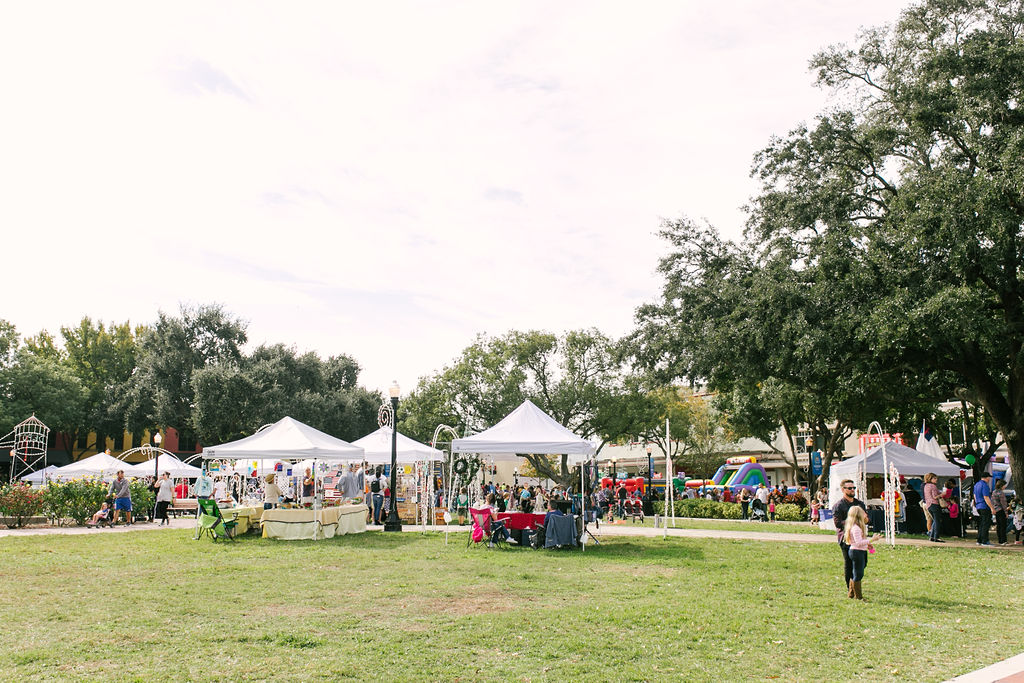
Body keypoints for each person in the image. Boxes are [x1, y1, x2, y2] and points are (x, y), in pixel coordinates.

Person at [832, 478, 866, 598]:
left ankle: (853, 586)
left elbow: (867, 518)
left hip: (860, 539)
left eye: (853, 488)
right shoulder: (839, 506)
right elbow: (837, 523)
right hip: (846, 538)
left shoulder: (859, 504)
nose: (852, 490)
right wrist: (852, 522)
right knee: (849, 564)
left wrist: (865, 520)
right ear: (843, 489)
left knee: (862, 563)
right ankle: (850, 589)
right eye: (849, 488)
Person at [844, 506, 882, 600]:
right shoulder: (856, 528)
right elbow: (858, 543)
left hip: (858, 551)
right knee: (858, 573)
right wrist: (871, 540)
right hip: (857, 552)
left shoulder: (857, 527)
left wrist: (867, 545)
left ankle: (851, 593)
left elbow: (860, 542)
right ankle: (858, 596)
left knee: (857, 571)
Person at [973, 472, 994, 546]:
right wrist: (992, 508)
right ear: (986, 477)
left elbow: (975, 496)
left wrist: (976, 504)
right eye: (989, 477)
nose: (989, 479)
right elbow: (986, 497)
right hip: (984, 506)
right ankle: (985, 540)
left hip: (978, 506)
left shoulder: (976, 485)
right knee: (986, 524)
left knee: (981, 523)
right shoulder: (984, 485)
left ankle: (979, 539)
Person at [923, 472, 944, 543]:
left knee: (935, 520)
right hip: (934, 504)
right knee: (937, 521)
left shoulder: (926, 486)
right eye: (934, 478)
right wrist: (942, 494)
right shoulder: (933, 486)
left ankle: (932, 536)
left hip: (928, 505)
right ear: (930, 478)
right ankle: (936, 537)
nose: (936, 480)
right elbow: (935, 496)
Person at [992, 480, 1009, 545]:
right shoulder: (1001, 493)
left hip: (996, 510)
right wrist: (1006, 512)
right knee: (1003, 526)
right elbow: (1003, 503)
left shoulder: (994, 492)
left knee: (999, 525)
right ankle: (1003, 540)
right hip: (1001, 510)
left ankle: (1000, 540)